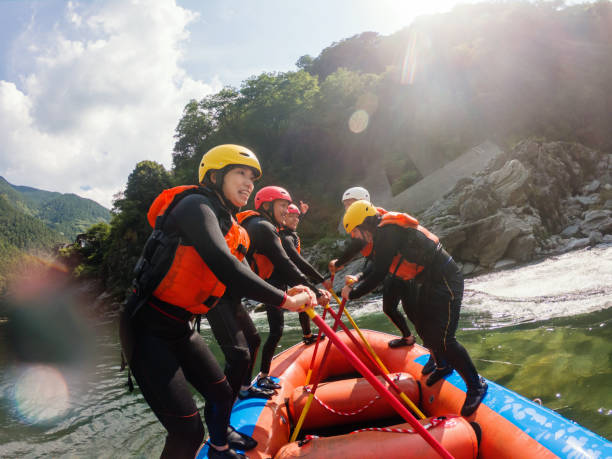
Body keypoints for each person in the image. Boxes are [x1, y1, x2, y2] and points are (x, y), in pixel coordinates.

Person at [119, 144, 317, 459]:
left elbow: (233, 277)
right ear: (215, 176)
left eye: (252, 177)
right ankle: (210, 441)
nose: (248, 182)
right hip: (146, 327)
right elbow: (226, 266)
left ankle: (220, 447)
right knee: (187, 431)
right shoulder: (195, 206)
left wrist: (288, 292)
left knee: (222, 393)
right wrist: (284, 300)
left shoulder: (229, 222)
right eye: (240, 173)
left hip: (182, 326)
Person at [340, 200, 488, 417]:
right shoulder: (381, 236)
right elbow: (374, 266)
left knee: (444, 338)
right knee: (423, 326)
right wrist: (358, 279)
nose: (356, 237)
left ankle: (476, 385)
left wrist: (352, 294)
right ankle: (443, 366)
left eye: (356, 232)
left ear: (365, 225)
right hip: (429, 281)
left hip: (446, 279)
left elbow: (380, 273)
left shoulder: (388, 232)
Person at [237, 187, 331, 392]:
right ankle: (258, 379)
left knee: (257, 338)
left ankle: (252, 381)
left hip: (269, 281)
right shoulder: (263, 227)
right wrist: (315, 290)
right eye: (283, 207)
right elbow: (288, 263)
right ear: (268, 206)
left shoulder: (263, 225)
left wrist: (311, 289)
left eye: (289, 209)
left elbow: (287, 262)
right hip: (270, 282)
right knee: (272, 332)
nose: (288, 212)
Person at [329, 187, 419, 349]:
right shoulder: (364, 226)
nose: (348, 209)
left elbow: (365, 254)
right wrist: (358, 276)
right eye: (346, 205)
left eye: (352, 204)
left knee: (412, 310)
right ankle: (408, 338)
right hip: (390, 270)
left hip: (405, 270)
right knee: (389, 308)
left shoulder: (374, 224)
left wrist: (341, 267)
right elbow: (373, 259)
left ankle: (434, 352)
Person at [280, 202, 330, 344]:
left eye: (297, 217)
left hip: (289, 273)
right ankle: (307, 335)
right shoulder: (285, 238)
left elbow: (294, 223)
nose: (295, 219)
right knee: (276, 329)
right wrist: (321, 280)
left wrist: (302, 213)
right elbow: (299, 261)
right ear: (283, 217)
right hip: (281, 276)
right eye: (291, 216)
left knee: (305, 299)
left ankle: (307, 335)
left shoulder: (290, 234)